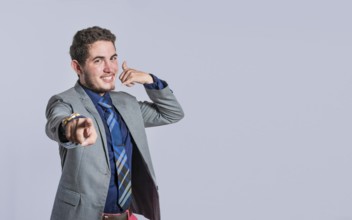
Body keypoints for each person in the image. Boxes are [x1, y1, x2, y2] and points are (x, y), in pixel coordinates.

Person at [45, 26, 184, 220]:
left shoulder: (127, 103)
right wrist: (72, 127)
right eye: (98, 60)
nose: (110, 68)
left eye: (113, 58)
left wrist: (149, 80)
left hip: (125, 216)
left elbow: (172, 113)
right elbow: (57, 121)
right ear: (78, 67)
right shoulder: (65, 101)